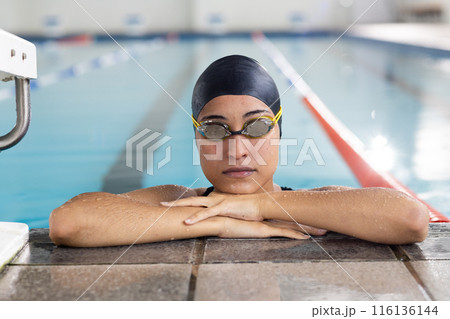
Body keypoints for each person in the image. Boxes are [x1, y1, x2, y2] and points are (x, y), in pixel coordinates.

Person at [49, 55, 429, 247]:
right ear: (197, 138)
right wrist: (221, 222)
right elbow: (69, 222)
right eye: (215, 129)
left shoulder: (320, 204)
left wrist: (262, 207)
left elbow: (412, 219)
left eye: (258, 127)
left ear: (280, 131)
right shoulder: (178, 200)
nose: (238, 151)